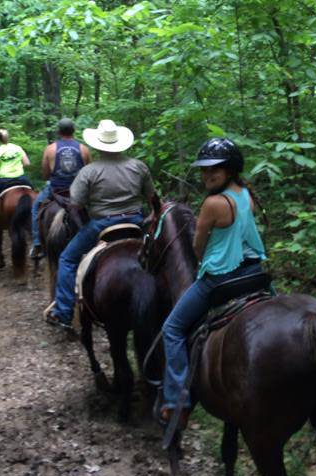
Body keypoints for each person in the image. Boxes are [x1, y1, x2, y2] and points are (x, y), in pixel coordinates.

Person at [160, 137, 267, 426]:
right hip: (254, 272)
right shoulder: (246, 193)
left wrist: (206, 259)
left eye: (215, 169)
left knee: (171, 328)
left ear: (230, 169)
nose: (207, 174)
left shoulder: (213, 203)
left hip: (221, 278)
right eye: (204, 169)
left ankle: (177, 400)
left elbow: (197, 247)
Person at [44, 119, 155, 331]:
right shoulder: (138, 166)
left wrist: (83, 226)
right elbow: (152, 199)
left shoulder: (89, 172)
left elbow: (75, 206)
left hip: (103, 224)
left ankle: (64, 313)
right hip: (136, 222)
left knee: (67, 259)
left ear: (98, 144)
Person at [30, 117, 91, 259]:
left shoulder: (50, 149)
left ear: (58, 131)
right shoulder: (84, 149)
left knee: (35, 207)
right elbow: (89, 174)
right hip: (78, 192)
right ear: (74, 131)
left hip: (56, 191)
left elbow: (45, 175)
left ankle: (38, 244)